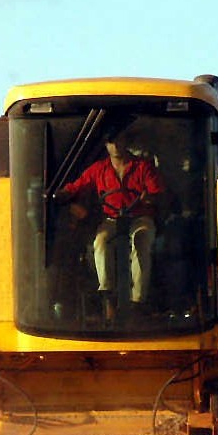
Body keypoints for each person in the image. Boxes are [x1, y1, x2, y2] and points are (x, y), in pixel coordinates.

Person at [55, 131, 165, 320]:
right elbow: (78, 185)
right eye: (110, 142)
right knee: (100, 242)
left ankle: (137, 301)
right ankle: (108, 296)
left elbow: (158, 194)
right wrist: (63, 193)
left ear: (126, 142)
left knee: (141, 239)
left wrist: (150, 198)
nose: (115, 145)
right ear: (106, 146)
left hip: (139, 218)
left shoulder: (143, 167)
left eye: (119, 140)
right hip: (112, 219)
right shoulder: (98, 169)